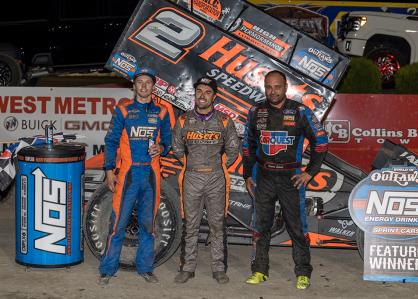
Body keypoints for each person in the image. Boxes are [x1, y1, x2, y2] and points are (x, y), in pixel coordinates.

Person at [242, 70, 328, 290]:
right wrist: (247, 175)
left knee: (296, 226)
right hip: (264, 177)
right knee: (260, 226)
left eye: (277, 87)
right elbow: (248, 147)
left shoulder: (300, 111)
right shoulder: (256, 111)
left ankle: (303, 272)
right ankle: (260, 270)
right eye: (269, 87)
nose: (273, 91)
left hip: (292, 178)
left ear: (285, 87)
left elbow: (321, 142)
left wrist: (309, 172)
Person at [98, 68, 172, 285]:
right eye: (139, 82)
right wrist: (109, 170)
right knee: (117, 224)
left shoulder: (162, 111)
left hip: (151, 175)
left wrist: (161, 146)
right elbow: (111, 141)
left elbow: (168, 141)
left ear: (153, 87)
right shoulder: (123, 110)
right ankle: (107, 270)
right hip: (128, 175)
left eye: (148, 82)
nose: (143, 86)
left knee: (148, 226)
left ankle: (145, 268)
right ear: (133, 86)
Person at [171, 77, 240, 284]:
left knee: (217, 225)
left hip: (215, 177)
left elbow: (233, 149)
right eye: (199, 91)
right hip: (191, 176)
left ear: (214, 96)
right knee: (190, 225)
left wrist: (217, 167)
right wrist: (191, 164)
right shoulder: (183, 120)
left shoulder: (224, 120)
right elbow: (176, 148)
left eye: (207, 92)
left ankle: (218, 268)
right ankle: (188, 267)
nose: (202, 95)